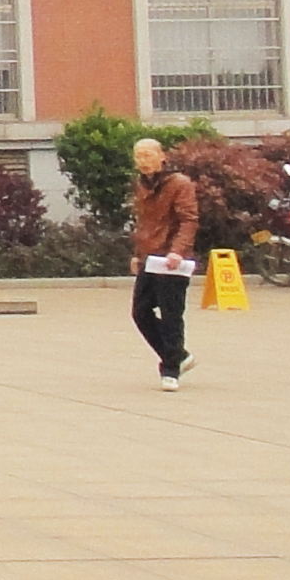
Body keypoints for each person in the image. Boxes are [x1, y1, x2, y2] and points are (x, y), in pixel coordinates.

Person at [131, 135, 200, 391]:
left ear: (162, 157)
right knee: (140, 312)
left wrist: (178, 251)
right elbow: (144, 223)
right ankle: (179, 356)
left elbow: (188, 220)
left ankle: (170, 369)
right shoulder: (142, 185)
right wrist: (137, 254)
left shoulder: (179, 183)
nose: (143, 161)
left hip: (172, 259)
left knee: (171, 315)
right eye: (138, 156)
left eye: (148, 155)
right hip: (149, 257)